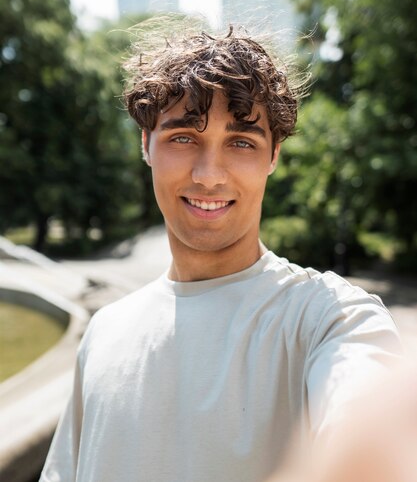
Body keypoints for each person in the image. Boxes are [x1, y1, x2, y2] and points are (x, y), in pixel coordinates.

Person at [40, 25, 402, 482]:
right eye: (183, 137)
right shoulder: (102, 334)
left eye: (241, 142)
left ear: (273, 156)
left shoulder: (330, 319)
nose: (209, 176)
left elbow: (371, 436)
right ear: (145, 144)